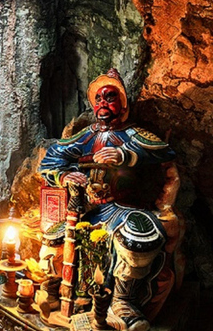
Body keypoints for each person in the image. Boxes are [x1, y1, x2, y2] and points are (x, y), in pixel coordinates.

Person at [39, 68, 178, 331]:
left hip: (126, 208)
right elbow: (52, 159)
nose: (103, 104)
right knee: (52, 239)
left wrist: (125, 156)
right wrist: (66, 176)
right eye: (99, 99)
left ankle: (123, 302)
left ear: (123, 103)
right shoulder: (87, 135)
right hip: (90, 210)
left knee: (140, 238)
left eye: (110, 97)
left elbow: (164, 151)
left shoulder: (134, 134)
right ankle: (59, 292)